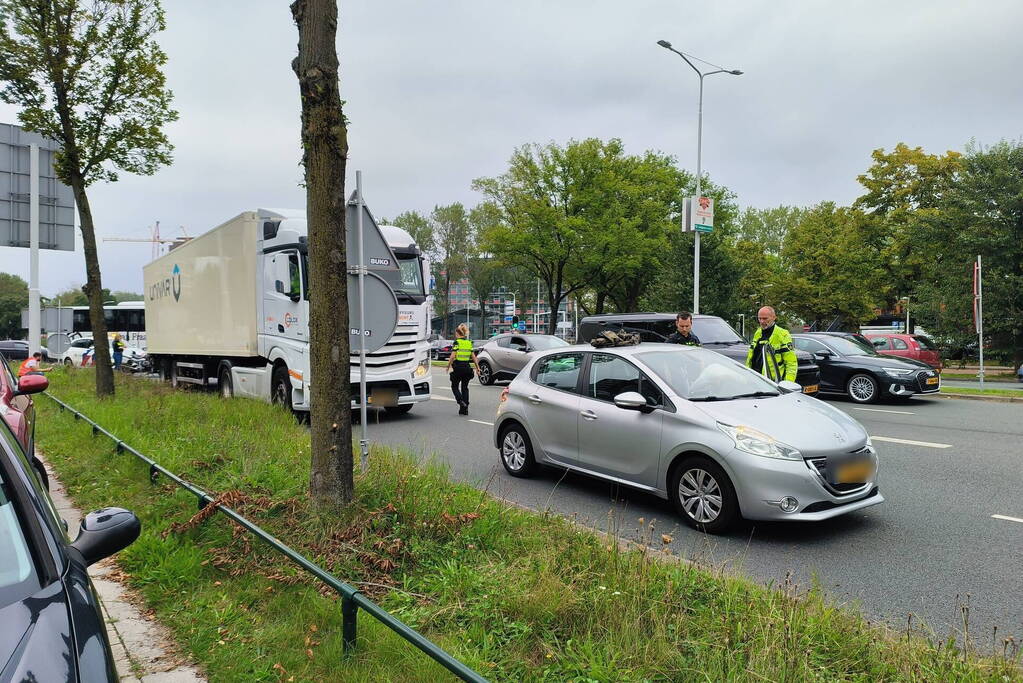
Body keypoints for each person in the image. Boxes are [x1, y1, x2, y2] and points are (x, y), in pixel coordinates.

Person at [745, 306, 797, 382]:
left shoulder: (783, 334)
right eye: (759, 318)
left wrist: (788, 384)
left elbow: (791, 363)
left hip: (772, 383)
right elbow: (751, 357)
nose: (762, 321)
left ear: (774, 317)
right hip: (755, 379)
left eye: (765, 318)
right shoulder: (758, 332)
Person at [446, 323, 479, 415]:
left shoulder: (457, 342)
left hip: (458, 368)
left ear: (457, 333)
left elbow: (452, 356)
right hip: (467, 368)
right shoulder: (469, 343)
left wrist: (448, 366)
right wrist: (478, 368)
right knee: (465, 388)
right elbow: (474, 357)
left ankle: (461, 401)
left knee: (454, 386)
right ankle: (464, 409)